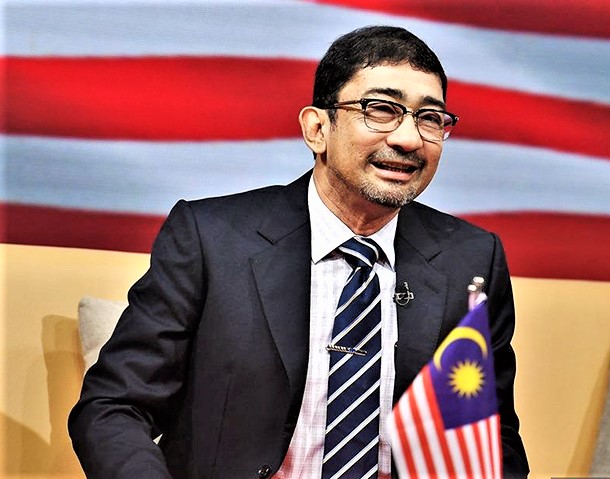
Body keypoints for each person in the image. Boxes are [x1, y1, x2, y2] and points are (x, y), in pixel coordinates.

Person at [68, 25, 529, 478]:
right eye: (381, 110)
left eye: (429, 118)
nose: (409, 139)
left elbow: (492, 437)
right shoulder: (211, 239)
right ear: (317, 128)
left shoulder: (470, 259)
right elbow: (114, 407)